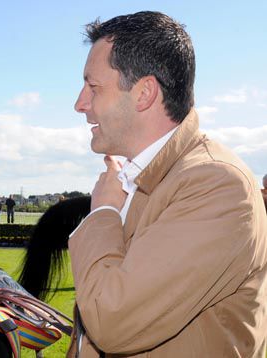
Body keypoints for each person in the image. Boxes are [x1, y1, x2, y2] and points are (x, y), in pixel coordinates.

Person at [69, 11, 267, 357]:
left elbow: (112, 321)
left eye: (93, 87)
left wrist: (102, 212)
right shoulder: (144, 177)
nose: (80, 104)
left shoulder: (217, 185)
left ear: (144, 92)